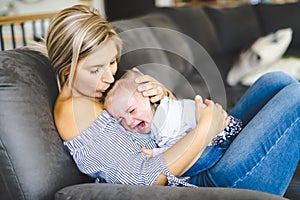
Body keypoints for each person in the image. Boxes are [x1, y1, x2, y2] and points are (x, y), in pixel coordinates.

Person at [46, 4, 299, 197]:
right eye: (96, 69)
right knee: (295, 97)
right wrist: (205, 129)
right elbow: (143, 178)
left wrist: (162, 96)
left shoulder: (95, 90)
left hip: (207, 152)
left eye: (112, 61)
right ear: (68, 69)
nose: (109, 74)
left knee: (275, 81)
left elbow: (162, 129)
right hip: (207, 180)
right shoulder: (74, 112)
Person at [104, 69, 243, 176]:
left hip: (219, 141)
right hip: (226, 127)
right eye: (120, 120)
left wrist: (155, 153)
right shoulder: (164, 106)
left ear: (149, 97)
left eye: (132, 111)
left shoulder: (161, 122)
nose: (128, 121)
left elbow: (179, 147)